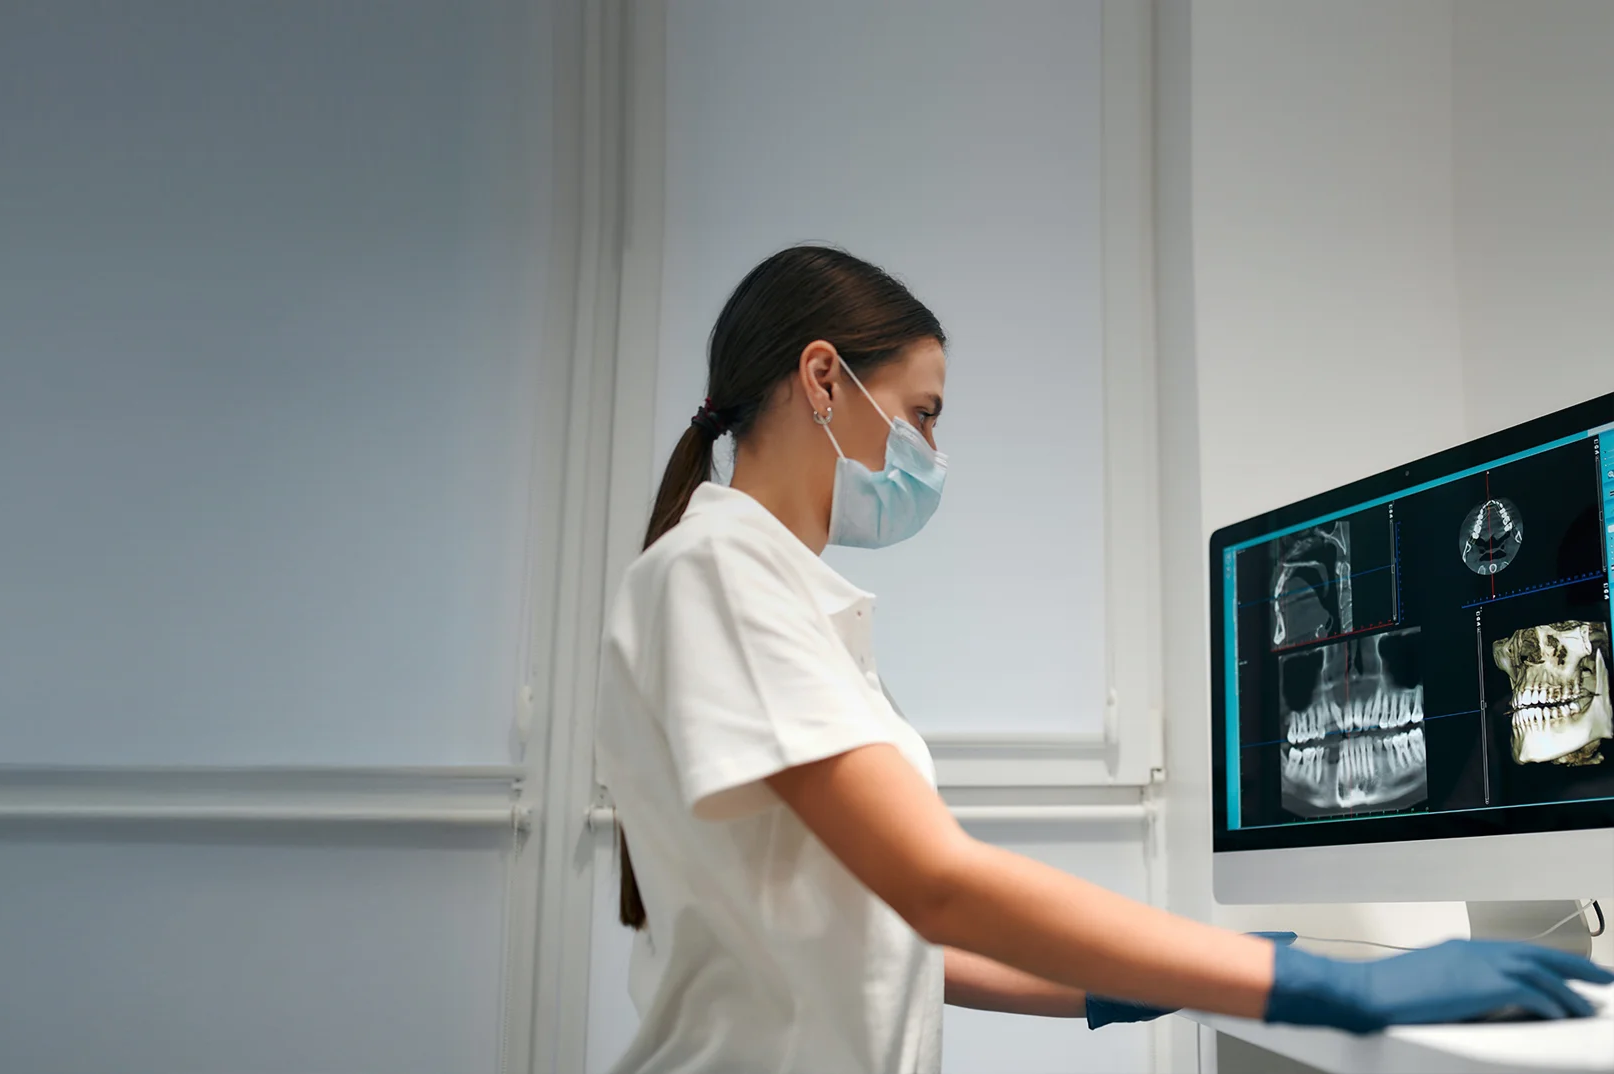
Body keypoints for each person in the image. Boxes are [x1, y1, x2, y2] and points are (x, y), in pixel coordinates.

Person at [592, 245, 1611, 1073]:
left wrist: (1140, 979)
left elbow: (898, 944)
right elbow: (935, 882)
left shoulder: (780, 595)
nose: (931, 454)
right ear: (825, 379)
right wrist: (1322, 986)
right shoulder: (717, 571)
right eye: (923, 413)